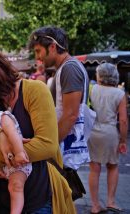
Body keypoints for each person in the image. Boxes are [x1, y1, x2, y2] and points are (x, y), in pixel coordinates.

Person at [0, 41, 75, 214]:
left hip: (36, 198)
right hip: (1, 196)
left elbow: (47, 145)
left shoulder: (34, 90)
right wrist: (0, 138)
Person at [28, 26, 90, 170]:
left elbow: (70, 115)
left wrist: (49, 146)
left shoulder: (70, 69)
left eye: (38, 51)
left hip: (62, 151)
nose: (37, 57)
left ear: (52, 47)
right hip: (61, 148)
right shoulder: (65, 68)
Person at [87, 63, 128, 214]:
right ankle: (111, 201)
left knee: (94, 169)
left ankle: (95, 205)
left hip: (93, 131)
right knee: (113, 166)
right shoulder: (119, 94)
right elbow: (123, 121)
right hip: (110, 131)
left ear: (99, 75)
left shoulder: (92, 89)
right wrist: (123, 140)